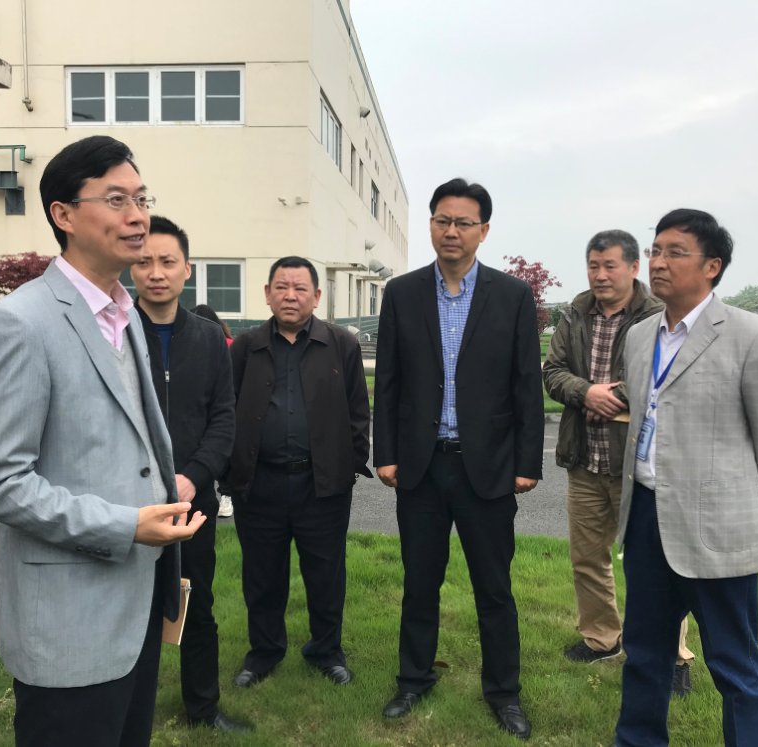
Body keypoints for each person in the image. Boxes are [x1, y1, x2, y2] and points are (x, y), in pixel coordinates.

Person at [0, 136, 204, 747]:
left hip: (136, 605)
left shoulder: (124, 313)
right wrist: (126, 526)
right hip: (68, 622)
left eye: (142, 199)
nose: (138, 216)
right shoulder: (19, 323)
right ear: (63, 215)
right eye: (116, 199)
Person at [607, 209, 758, 747]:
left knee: (734, 663)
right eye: (655, 250)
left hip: (721, 528)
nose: (658, 262)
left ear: (712, 266)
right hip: (646, 516)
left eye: (675, 252)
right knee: (645, 651)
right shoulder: (640, 336)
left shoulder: (754, 337)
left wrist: (750, 513)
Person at [373, 178, 545, 740]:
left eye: (463, 222)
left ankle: (504, 693)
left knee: (494, 589)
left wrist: (528, 461)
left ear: (483, 231)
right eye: (442, 220)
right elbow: (389, 381)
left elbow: (526, 384)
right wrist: (386, 453)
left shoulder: (512, 296)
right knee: (420, 583)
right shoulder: (402, 293)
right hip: (421, 466)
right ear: (431, 225)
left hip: (487, 467)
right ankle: (413, 679)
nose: (452, 231)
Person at [543, 230, 696, 697]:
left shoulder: (659, 314)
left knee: (659, 566)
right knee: (588, 558)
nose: (600, 274)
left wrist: (610, 398)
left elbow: (665, 376)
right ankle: (601, 638)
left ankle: (673, 655)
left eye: (610, 265)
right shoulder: (574, 313)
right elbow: (552, 372)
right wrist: (584, 392)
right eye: (593, 265)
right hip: (585, 460)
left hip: (641, 466)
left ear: (633, 267)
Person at [228, 256, 372, 688]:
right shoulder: (246, 346)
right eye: (281, 287)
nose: (290, 296)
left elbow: (358, 412)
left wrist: (348, 467)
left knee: (326, 575)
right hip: (260, 483)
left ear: (317, 295)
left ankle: (326, 651)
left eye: (300, 288)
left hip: (321, 485)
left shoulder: (341, 344)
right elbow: (227, 410)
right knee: (262, 576)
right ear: (267, 293)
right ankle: (264, 652)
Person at [129, 216, 244, 733]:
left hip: (192, 504)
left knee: (197, 604)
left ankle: (203, 708)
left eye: (167, 262)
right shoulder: (114, 332)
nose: (156, 273)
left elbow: (224, 419)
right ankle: (127, 711)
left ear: (187, 270)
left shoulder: (209, 338)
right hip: (128, 503)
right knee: (128, 610)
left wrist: (194, 477)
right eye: (144, 261)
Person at [190, 305, 237, 518]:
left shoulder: (226, 345)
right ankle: (224, 494)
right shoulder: (189, 344)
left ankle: (226, 494)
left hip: (220, 407)